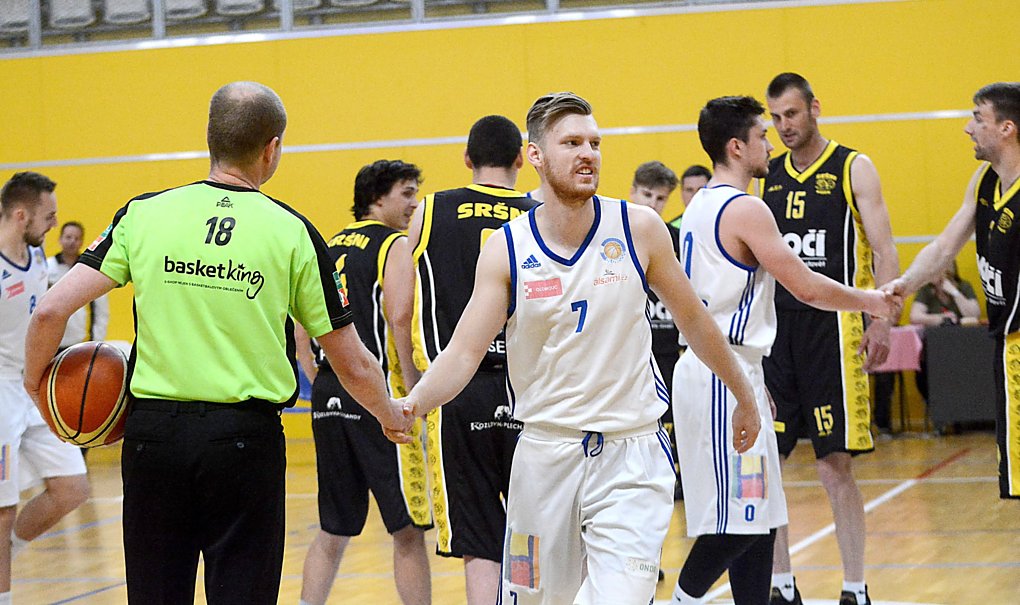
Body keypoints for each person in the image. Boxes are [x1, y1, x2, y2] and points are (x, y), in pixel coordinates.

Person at [22, 82, 412, 605]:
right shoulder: (293, 231)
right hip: (244, 444)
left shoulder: (144, 213)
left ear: (211, 138)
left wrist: (36, 386)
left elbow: (50, 310)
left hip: (153, 438)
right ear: (272, 148)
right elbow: (351, 359)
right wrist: (388, 413)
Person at [392, 92, 763, 605]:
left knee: (622, 596)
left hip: (631, 453)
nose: (588, 153)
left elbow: (697, 323)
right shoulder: (508, 248)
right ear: (535, 155)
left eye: (594, 143)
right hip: (545, 454)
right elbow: (462, 354)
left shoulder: (640, 229)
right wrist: (413, 403)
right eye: (571, 143)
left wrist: (744, 394)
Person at [670, 96, 897, 605]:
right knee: (738, 522)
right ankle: (681, 599)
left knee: (762, 518)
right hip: (722, 369)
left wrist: (753, 380)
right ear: (736, 146)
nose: (770, 144)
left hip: (731, 367)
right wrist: (873, 301)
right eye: (762, 135)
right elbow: (807, 287)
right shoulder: (745, 208)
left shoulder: (700, 204)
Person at [762, 73, 900, 605]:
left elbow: (884, 249)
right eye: (775, 118)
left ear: (814, 108)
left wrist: (882, 320)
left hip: (834, 330)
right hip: (778, 332)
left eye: (792, 114)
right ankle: (781, 585)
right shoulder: (768, 174)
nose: (784, 126)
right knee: (769, 463)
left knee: (833, 464)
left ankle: (854, 587)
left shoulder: (852, 166)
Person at [407, 114, 535, 605]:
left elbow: (399, 308)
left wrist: (416, 384)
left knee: (479, 541)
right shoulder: (540, 214)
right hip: (531, 390)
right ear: (521, 159)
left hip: (456, 386)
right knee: (534, 530)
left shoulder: (430, 210)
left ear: (467, 159)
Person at [299, 160, 432, 605]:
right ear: (377, 198)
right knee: (407, 528)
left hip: (329, 392)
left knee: (333, 528)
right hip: (377, 395)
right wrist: (413, 390)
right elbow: (399, 317)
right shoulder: (393, 244)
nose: (414, 203)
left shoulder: (329, 243)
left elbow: (300, 322)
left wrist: (316, 375)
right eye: (406, 193)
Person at [884, 82, 1020, 500]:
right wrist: (904, 285)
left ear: (1007, 128)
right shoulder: (984, 181)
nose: (967, 128)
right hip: (1006, 345)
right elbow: (944, 247)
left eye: (977, 118)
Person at [0, 172, 89, 605]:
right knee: (3, 509)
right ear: (21, 215)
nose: (54, 223)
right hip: (0, 393)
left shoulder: (36, 257)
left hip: (32, 385)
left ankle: (7, 553)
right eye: (48, 216)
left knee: (72, 487)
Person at [628, 160, 683, 502]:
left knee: (675, 421)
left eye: (661, 198)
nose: (652, 203)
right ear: (632, 191)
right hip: (633, 351)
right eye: (647, 195)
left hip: (669, 347)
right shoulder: (613, 235)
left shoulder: (673, 240)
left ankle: (679, 477)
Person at [46, 221, 109, 351]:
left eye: (76, 238)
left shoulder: (89, 270)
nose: (72, 242)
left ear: (81, 242)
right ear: (60, 239)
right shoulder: (46, 267)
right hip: (48, 342)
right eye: (68, 237)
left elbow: (101, 311)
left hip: (78, 343)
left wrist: (96, 343)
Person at [668, 164, 712, 228]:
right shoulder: (672, 228)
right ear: (682, 193)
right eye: (689, 190)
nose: (695, 195)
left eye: (700, 190)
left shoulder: (723, 222)